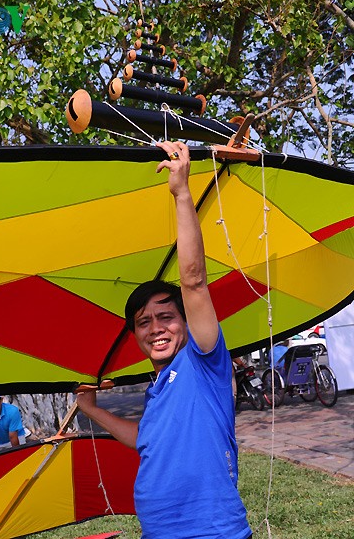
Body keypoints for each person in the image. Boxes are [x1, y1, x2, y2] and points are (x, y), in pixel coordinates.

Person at [77, 141, 252, 539]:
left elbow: (193, 281)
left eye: (166, 317)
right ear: (135, 334)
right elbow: (146, 440)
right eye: (143, 322)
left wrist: (183, 193)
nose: (155, 327)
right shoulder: (158, 388)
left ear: (186, 323)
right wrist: (92, 408)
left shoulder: (203, 363)